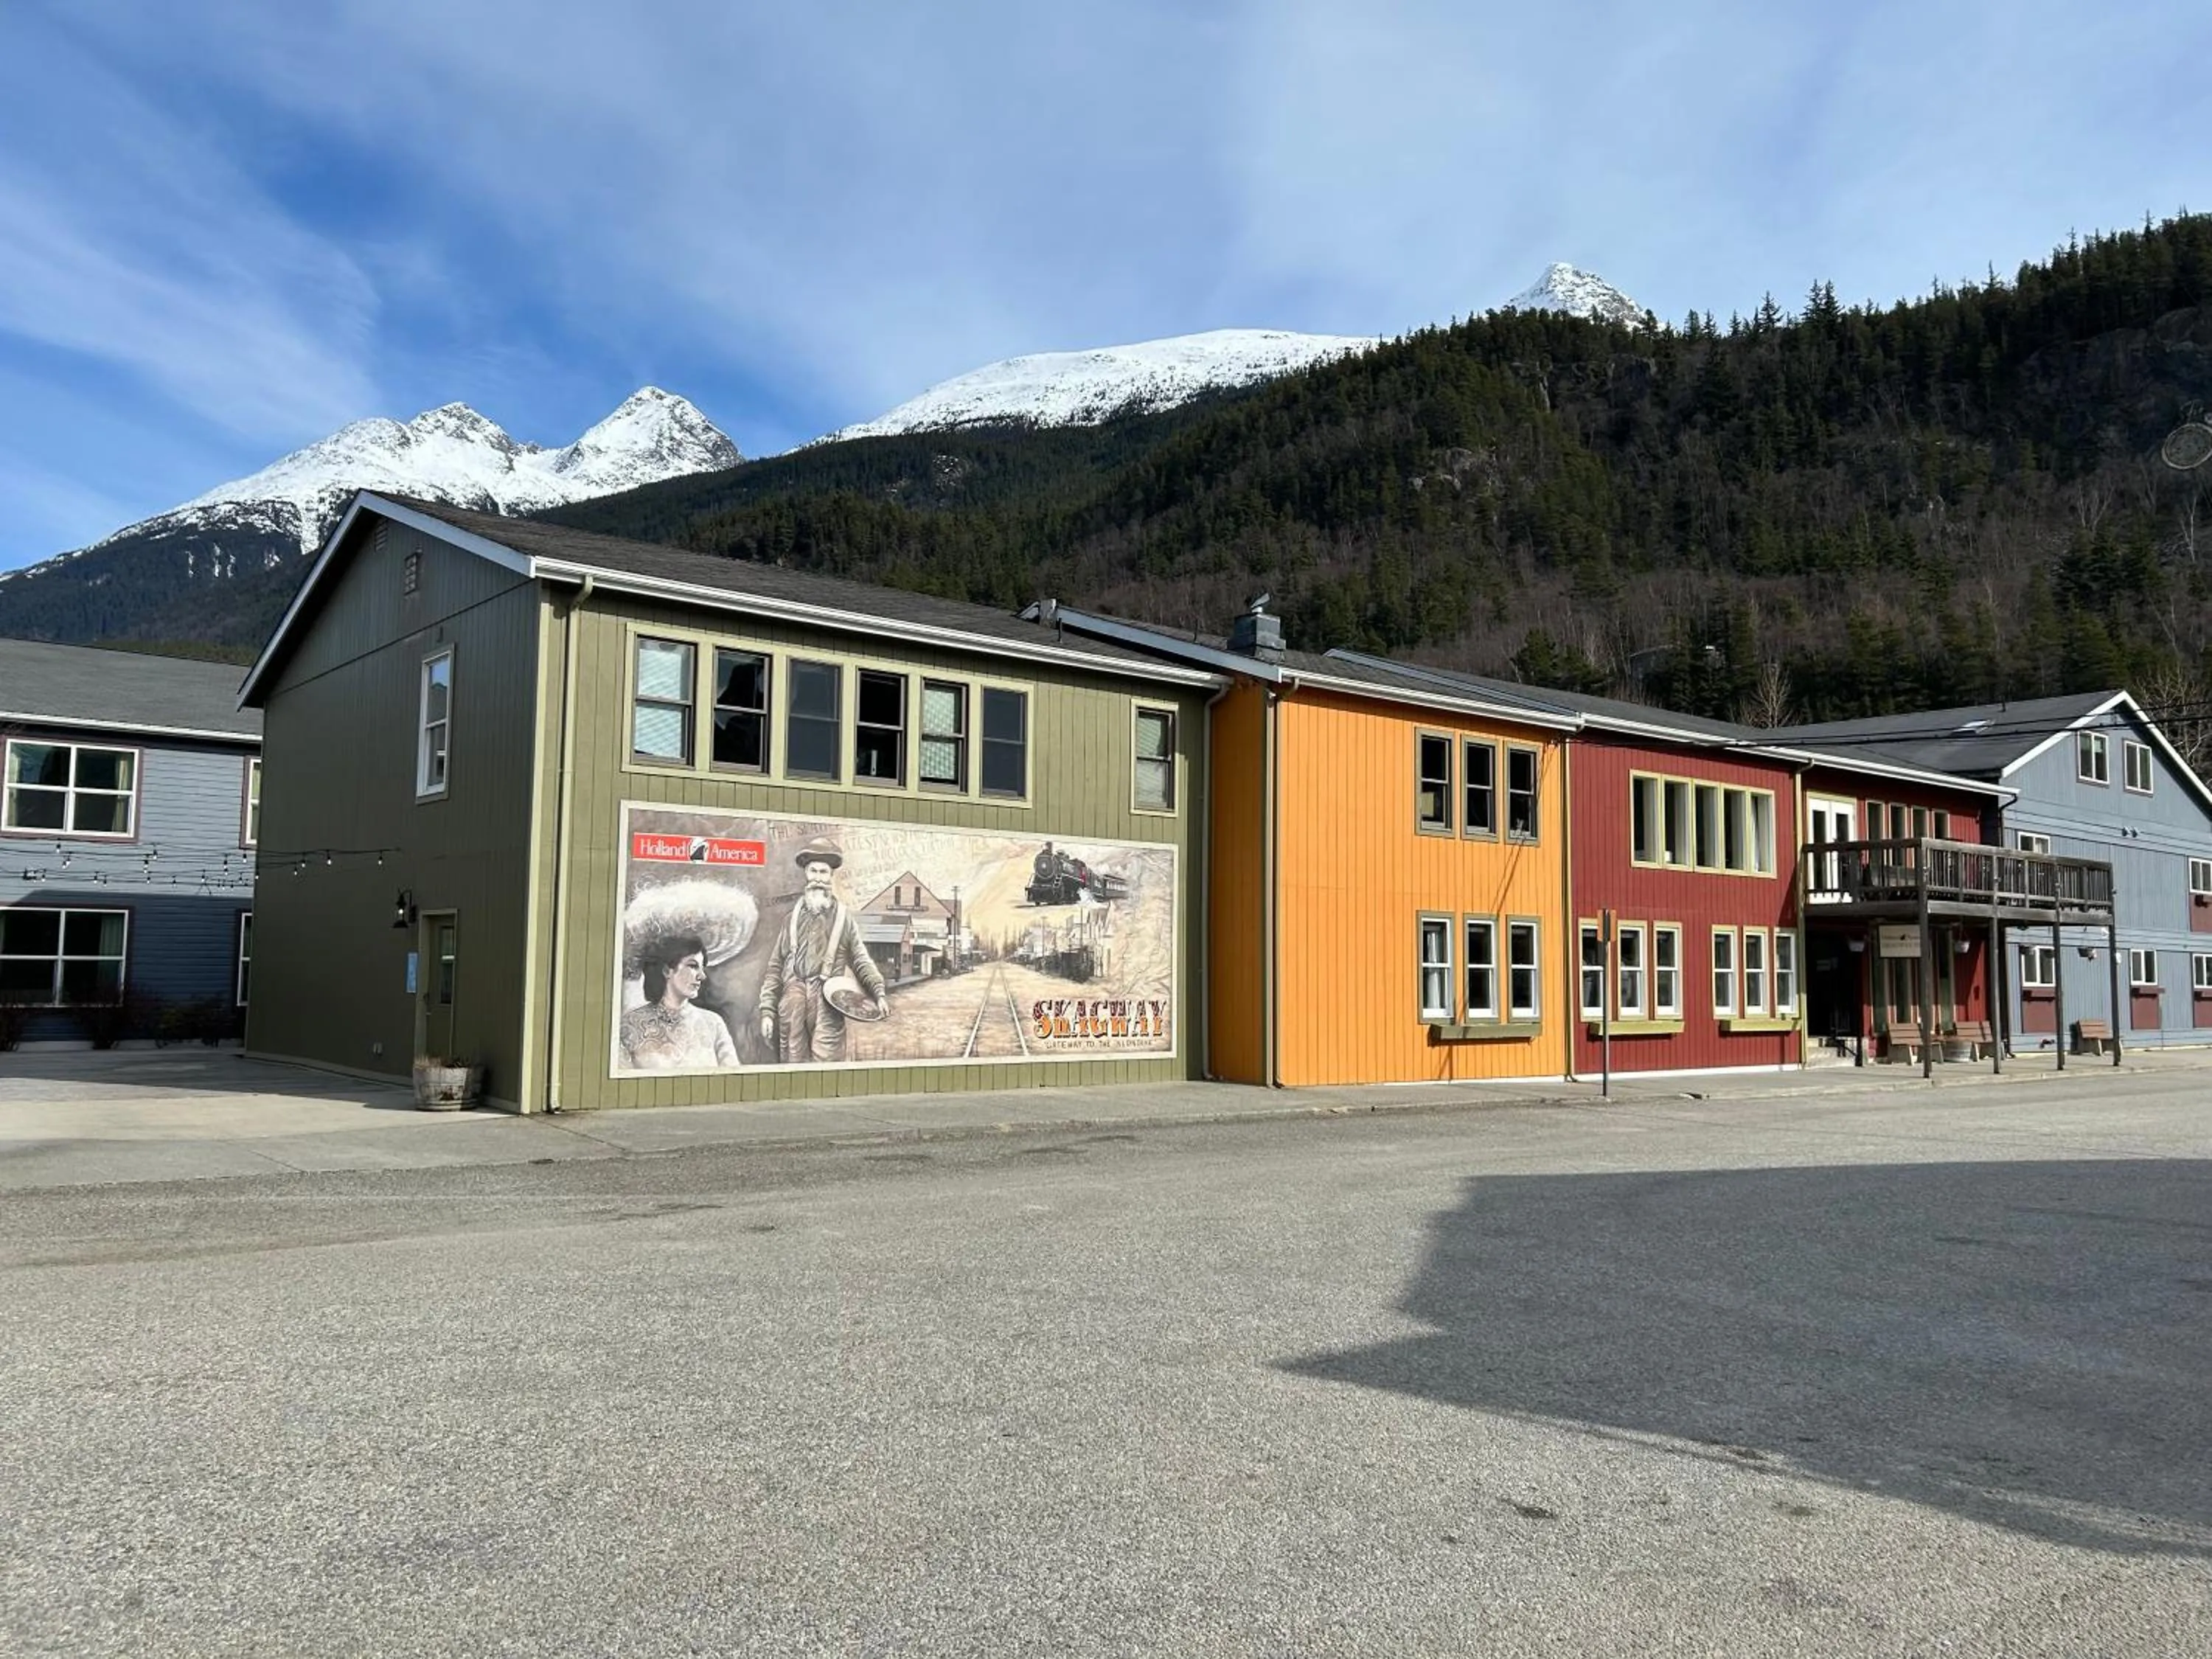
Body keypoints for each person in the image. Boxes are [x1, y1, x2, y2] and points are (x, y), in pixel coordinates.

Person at [757, 838, 888, 1062]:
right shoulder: (790, 920)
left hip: (829, 1001)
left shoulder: (844, 919)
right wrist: (767, 1011)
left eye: (823, 872)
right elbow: (775, 967)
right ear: (806, 874)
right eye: (813, 871)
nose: (818, 878)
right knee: (793, 1063)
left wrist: (879, 993)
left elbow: (861, 959)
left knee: (827, 1063)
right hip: (793, 1000)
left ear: (831, 876)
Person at [619, 933, 740, 1070]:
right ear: (667, 971)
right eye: (693, 966)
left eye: (702, 968)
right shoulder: (629, 1026)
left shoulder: (713, 1024)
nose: (702, 976)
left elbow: (732, 1075)